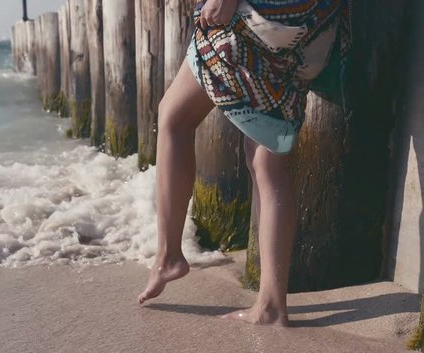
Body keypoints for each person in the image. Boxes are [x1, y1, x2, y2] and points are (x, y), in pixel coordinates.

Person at [138, 0, 350, 327]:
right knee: (268, 164)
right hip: (310, 25)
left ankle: (168, 255)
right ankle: (271, 305)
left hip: (264, 19)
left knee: (173, 118)